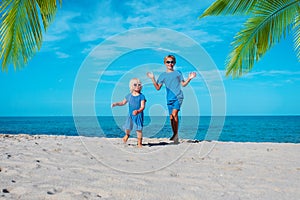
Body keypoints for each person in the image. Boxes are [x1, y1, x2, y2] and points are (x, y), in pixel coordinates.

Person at [147, 55, 196, 143]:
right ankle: (175, 135)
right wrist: (153, 79)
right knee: (171, 118)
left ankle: (175, 134)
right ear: (165, 63)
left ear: (174, 63)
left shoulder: (178, 73)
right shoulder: (162, 75)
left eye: (172, 62)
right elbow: (158, 88)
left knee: (174, 114)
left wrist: (189, 78)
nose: (170, 64)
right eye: (168, 62)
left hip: (178, 96)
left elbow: (183, 84)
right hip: (169, 99)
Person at [111, 78, 146, 148]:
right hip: (130, 115)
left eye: (139, 85)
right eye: (135, 84)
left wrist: (138, 111)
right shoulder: (129, 96)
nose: (137, 86)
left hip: (138, 115)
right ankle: (127, 135)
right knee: (128, 127)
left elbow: (143, 107)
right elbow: (122, 103)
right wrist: (116, 104)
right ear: (131, 86)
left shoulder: (142, 96)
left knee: (139, 129)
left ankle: (139, 143)